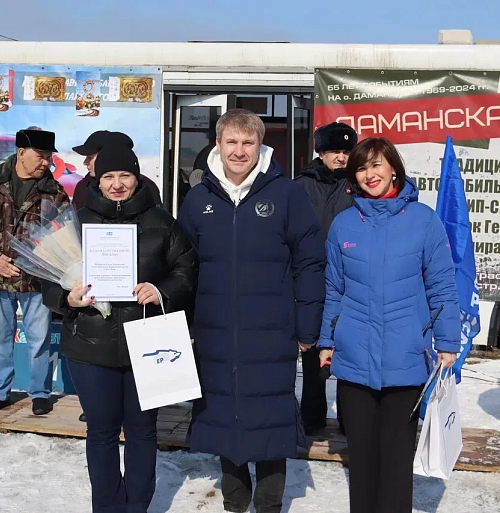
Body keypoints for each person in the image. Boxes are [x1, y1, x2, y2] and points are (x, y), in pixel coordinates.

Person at [178, 109, 325, 513]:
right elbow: (183, 266)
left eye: (248, 142)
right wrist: (184, 324)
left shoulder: (287, 194)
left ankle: (269, 504)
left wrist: (307, 326)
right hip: (215, 331)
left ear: (261, 145)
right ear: (218, 144)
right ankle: (234, 502)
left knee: (270, 419)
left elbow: (310, 262)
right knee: (225, 414)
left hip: (273, 330)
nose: (239, 151)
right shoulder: (198, 199)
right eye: (232, 142)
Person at [42, 144, 197, 513]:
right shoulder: (76, 222)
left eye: (124, 175)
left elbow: (187, 271)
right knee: (101, 434)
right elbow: (48, 280)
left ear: (137, 177)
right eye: (109, 176)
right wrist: (68, 299)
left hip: (147, 343)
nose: (117, 185)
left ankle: (137, 506)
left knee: (143, 433)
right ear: (96, 177)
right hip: (90, 344)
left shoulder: (162, 222)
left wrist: (160, 290)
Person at [317, 137, 460, 513]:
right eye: (362, 168)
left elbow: (442, 284)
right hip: (354, 359)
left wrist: (447, 340)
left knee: (396, 463)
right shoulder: (343, 224)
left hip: (406, 357)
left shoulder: (423, 220)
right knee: (361, 460)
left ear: (393, 168)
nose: (370, 174)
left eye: (377, 165)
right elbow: (334, 288)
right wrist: (326, 340)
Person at [0, 128, 69, 416]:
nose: (46, 162)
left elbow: (66, 235)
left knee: (39, 340)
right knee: (0, 339)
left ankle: (40, 393)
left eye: (49, 157)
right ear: (21, 153)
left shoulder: (54, 192)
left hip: (36, 281)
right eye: (41, 156)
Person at [294, 121, 357, 435]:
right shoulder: (301, 185)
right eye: (335, 150)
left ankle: (350, 420)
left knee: (348, 354)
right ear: (321, 151)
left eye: (347, 151)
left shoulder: (358, 183)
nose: (341, 157)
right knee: (313, 355)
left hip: (351, 281)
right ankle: (312, 419)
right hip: (312, 278)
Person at [72, 130, 162, 210]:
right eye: (108, 177)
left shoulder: (146, 188)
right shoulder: (83, 187)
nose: (117, 185)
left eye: (90, 157)